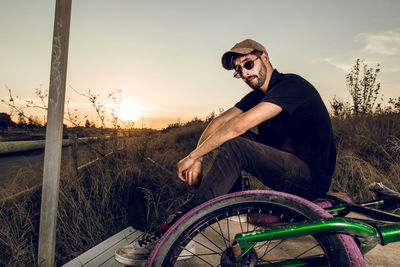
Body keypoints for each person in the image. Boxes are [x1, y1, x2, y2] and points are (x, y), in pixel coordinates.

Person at [115, 39, 337, 266]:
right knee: (231, 138)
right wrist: (198, 156)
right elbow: (219, 122)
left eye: (248, 64)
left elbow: (239, 125)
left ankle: (180, 227)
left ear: (265, 58)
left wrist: (190, 157)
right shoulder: (257, 95)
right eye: (238, 71)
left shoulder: (292, 86)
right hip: (287, 171)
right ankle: (228, 208)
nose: (244, 74)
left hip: (310, 180)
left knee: (235, 142)